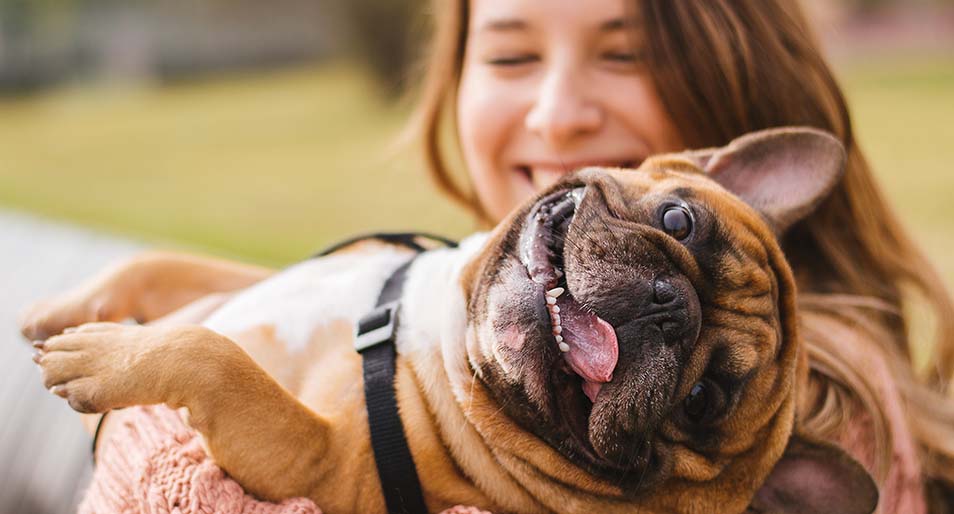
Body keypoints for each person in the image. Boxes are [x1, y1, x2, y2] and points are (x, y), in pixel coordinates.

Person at [23, 0, 954, 512]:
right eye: (510, 58)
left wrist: (140, 413)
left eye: (621, 56)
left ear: (733, 85)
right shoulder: (479, 294)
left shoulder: (829, 405)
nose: (556, 113)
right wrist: (168, 285)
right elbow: (326, 304)